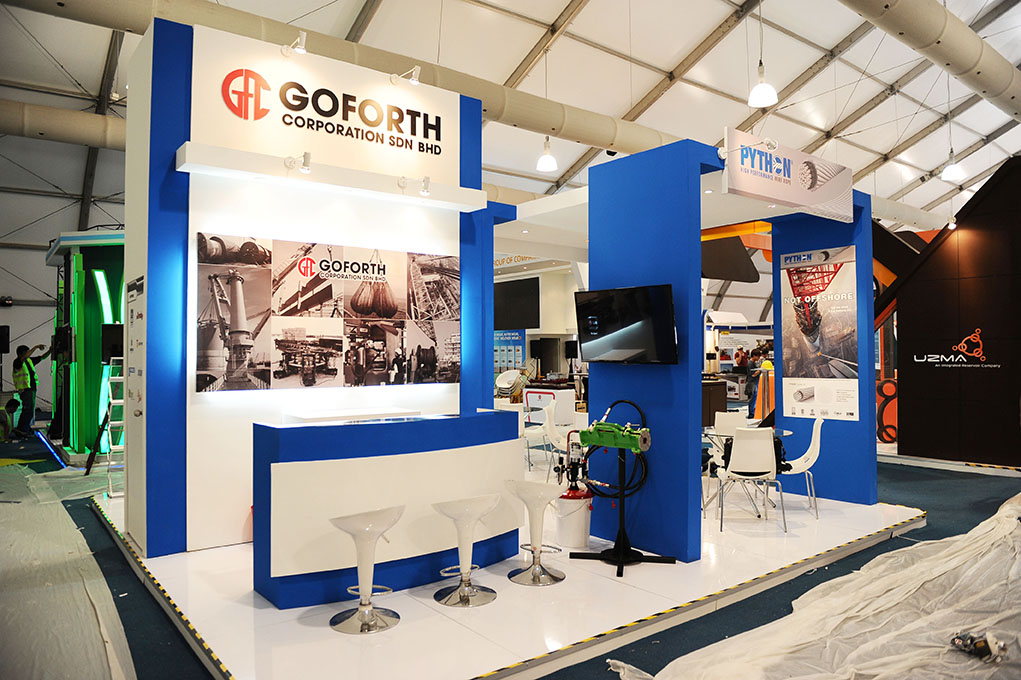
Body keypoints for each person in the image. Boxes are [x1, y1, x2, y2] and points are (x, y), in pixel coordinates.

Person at [12, 344, 50, 437]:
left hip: (31, 388)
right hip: (25, 389)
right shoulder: (17, 362)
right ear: (20, 354)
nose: (28, 354)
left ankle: (25, 428)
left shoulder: (29, 361)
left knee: (29, 410)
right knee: (27, 410)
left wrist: (50, 351)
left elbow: (42, 357)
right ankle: (22, 429)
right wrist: (35, 347)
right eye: (26, 352)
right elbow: (25, 357)